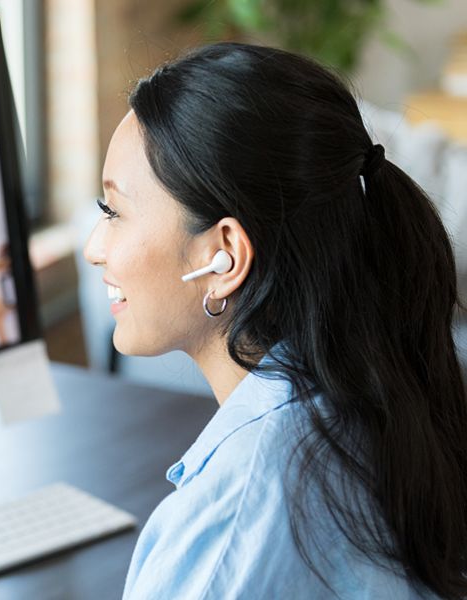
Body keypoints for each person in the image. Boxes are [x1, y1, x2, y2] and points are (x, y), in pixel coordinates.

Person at [83, 43, 467, 599]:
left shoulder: (237, 514)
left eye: (114, 212)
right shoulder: (379, 401)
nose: (95, 248)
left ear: (225, 257)